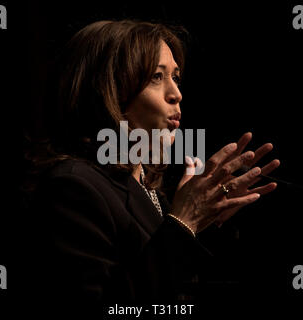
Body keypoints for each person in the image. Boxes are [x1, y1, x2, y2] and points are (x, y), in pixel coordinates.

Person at [24, 19, 280, 314]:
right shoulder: (72, 187)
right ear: (108, 89)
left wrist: (204, 224)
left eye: (176, 77)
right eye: (157, 77)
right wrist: (184, 223)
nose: (176, 94)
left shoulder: (149, 191)